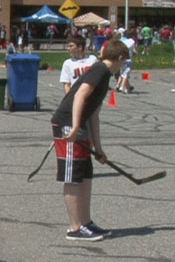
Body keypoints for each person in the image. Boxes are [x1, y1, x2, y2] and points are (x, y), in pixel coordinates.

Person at [50, 39, 129, 241]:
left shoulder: (105, 76)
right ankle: (75, 227)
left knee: (85, 176)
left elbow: (94, 113)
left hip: (81, 124)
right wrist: (75, 126)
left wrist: (99, 147)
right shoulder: (100, 70)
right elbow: (79, 96)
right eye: (124, 62)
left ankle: (86, 222)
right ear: (120, 58)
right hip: (67, 122)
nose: (124, 66)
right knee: (73, 176)